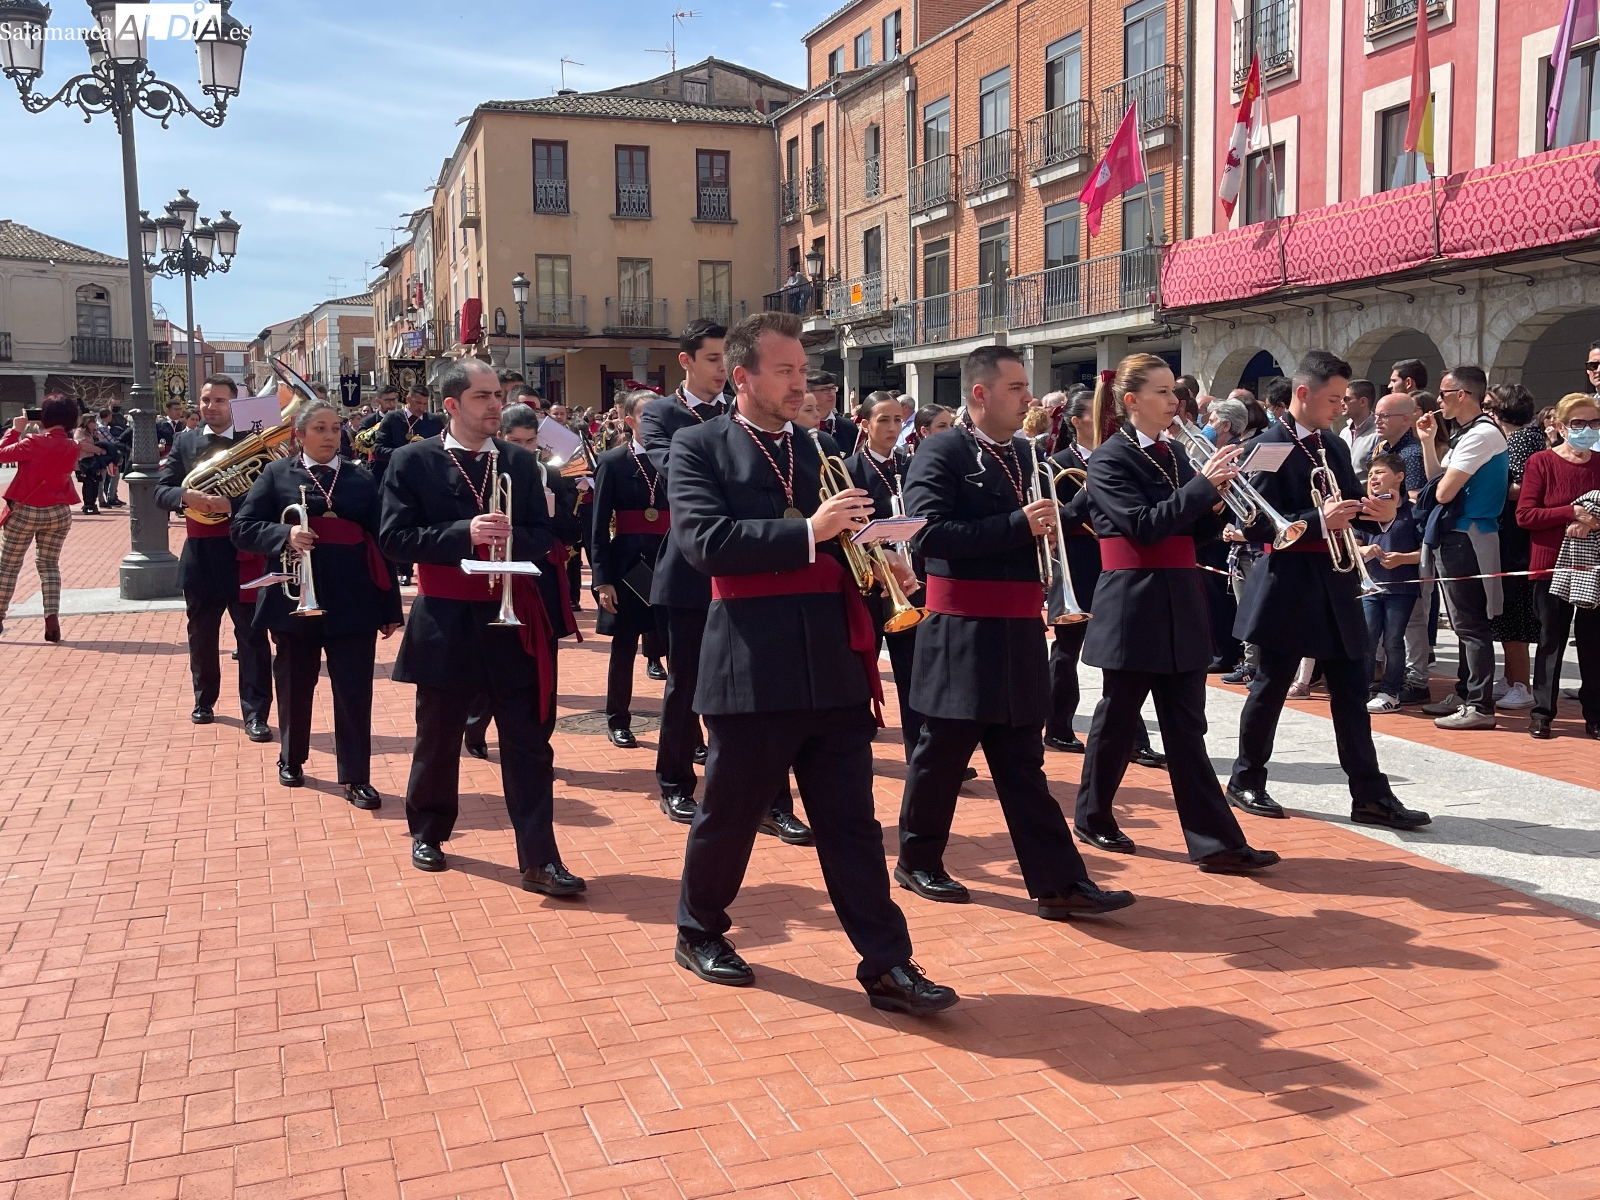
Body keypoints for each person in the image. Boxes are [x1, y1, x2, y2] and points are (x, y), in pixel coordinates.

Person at [667, 310, 958, 1015]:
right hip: (750, 657)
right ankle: (698, 928)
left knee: (852, 822)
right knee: (729, 815)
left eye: (803, 370)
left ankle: (888, 963)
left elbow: (851, 541)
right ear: (743, 377)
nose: (803, 384)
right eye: (786, 371)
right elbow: (706, 542)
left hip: (831, 657)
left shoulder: (821, 446)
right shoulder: (698, 447)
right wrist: (809, 531)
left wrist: (883, 565)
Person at [895, 346, 1141, 908]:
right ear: (980, 394)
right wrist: (1016, 525)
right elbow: (927, 535)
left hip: (1019, 626)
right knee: (943, 751)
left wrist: (1057, 525)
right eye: (1015, 388)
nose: (1028, 398)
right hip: (962, 625)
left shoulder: (1029, 453)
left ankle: (1060, 881)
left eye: (1027, 387)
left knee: (1022, 759)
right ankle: (917, 859)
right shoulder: (940, 452)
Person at [1066, 355, 1279, 870]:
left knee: (1187, 727)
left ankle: (1216, 843)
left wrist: (1217, 503)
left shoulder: (1176, 455)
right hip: (1133, 601)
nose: (1174, 402)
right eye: (1162, 393)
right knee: (1116, 721)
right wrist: (1202, 489)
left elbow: (1190, 532)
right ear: (1132, 400)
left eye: (1174, 392)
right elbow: (1142, 526)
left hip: (1179, 597)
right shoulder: (1109, 460)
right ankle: (1093, 815)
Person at [379, 359, 581, 891]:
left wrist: (516, 538)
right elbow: (395, 540)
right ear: (451, 405)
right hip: (446, 617)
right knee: (438, 736)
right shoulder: (411, 460)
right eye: (483, 396)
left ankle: (540, 857)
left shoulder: (520, 460)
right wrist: (462, 533)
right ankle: (428, 831)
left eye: (499, 394)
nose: (497, 404)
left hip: (513, 617)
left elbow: (545, 535)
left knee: (530, 742)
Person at [1227, 351, 1431, 831]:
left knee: (1350, 687)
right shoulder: (1267, 446)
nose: (1342, 407)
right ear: (1303, 393)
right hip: (1288, 582)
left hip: (1337, 580)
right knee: (1271, 685)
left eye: (1344, 398)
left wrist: (1372, 509)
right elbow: (1253, 524)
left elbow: (1346, 497)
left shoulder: (1333, 446)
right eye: (1334, 398)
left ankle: (1369, 794)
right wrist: (1319, 519)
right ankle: (1245, 778)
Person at [232, 401, 402, 805]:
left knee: (354, 691)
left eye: (336, 428)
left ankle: (356, 775)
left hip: (353, 599)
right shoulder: (276, 474)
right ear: (300, 434)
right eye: (321, 428)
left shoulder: (361, 478)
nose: (330, 436)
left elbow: (383, 543)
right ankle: (291, 757)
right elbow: (242, 528)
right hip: (294, 598)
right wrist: (283, 536)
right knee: (293, 683)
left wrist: (389, 606)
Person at [1041, 390, 1162, 765]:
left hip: (1117, 559)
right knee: (1067, 648)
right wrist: (1093, 491)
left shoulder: (1126, 458)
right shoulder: (1057, 463)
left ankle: (1132, 736)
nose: (1109, 423)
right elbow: (1058, 521)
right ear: (1076, 422)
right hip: (1077, 559)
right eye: (1098, 416)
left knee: (1123, 653)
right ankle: (1058, 726)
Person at [638, 320, 727, 824]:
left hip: (743, 561)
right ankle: (674, 781)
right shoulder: (661, 414)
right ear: (687, 361)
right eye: (712, 359)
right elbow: (674, 473)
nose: (721, 370)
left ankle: (769, 799)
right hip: (689, 566)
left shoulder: (741, 411)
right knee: (685, 682)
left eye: (726, 360)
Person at [154, 374, 274, 740]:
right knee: (201, 634)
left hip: (243, 553)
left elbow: (271, 492)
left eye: (220, 401)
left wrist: (232, 503)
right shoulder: (184, 441)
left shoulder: (254, 441)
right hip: (201, 553)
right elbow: (161, 491)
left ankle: (256, 713)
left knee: (252, 637)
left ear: (234, 405)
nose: (211, 407)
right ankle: (204, 699)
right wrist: (185, 497)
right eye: (206, 400)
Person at [1417, 366, 1510, 731]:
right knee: (1461, 622)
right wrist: (1427, 441)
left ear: (1462, 395)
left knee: (1471, 624)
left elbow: (1441, 492)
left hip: (1468, 535)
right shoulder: (1465, 434)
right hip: (1458, 533)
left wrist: (1440, 486)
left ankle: (1480, 704)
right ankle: (1465, 692)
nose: (1438, 401)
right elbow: (1436, 479)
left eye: (1443, 393)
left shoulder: (1481, 435)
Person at [590, 389, 671, 749]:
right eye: (646, 417)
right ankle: (618, 719)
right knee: (623, 648)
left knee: (680, 652)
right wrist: (602, 579)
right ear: (629, 422)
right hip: (626, 566)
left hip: (671, 562)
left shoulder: (678, 458)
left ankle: (687, 732)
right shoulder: (613, 461)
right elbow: (597, 525)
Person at [845, 392, 923, 760]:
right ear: (865, 424)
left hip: (908, 580)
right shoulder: (850, 468)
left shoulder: (911, 465)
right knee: (863, 665)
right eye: (883, 420)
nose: (893, 428)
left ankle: (919, 748)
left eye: (897, 420)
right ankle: (855, 745)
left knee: (914, 669)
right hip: (870, 582)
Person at [1518, 393, 1600, 739]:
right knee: (1551, 640)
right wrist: (1571, 512)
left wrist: (1593, 521)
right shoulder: (1541, 462)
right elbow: (1526, 515)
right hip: (1551, 567)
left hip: (1593, 568)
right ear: (1561, 427)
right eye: (1578, 423)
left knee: (1595, 643)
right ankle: (1542, 713)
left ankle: (1595, 715)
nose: (1586, 430)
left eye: (1593, 423)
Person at [0, 397, 84, 643]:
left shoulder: (33, 441)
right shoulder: (73, 446)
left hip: (27, 510)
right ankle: (51, 618)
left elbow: (2, 455)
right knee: (49, 565)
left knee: (8, 566)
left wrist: (14, 430)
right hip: (58, 512)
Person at [1482, 383, 1544, 713]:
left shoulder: (1521, 439)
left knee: (1515, 609)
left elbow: (1522, 487)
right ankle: (1510, 678)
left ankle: (1522, 683)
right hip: (1510, 535)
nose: (1486, 410)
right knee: (1506, 609)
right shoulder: (1511, 438)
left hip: (1517, 538)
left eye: (1491, 405)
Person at [1355, 454, 1422, 713]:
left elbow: (1425, 552)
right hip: (1371, 586)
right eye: (1371, 473)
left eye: (1380, 472)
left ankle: (1391, 692)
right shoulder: (1365, 511)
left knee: (1394, 640)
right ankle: (1361, 688)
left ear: (1399, 477)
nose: (1373, 478)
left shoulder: (1412, 511)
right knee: (1368, 639)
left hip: (1401, 588)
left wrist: (1403, 558)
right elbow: (1354, 545)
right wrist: (1365, 551)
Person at [375, 387, 443, 585]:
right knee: (399, 523)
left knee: (421, 523)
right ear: (408, 400)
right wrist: (407, 452)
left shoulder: (434, 422)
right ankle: (400, 568)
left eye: (424, 404)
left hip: (426, 479)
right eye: (418, 403)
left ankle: (414, 567)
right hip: (398, 477)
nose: (422, 408)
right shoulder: (392, 419)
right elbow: (379, 448)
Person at [73, 413, 113, 515]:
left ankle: (93, 504)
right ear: (87, 422)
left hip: (96, 462)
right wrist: (98, 449)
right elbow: (81, 444)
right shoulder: (80, 432)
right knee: (88, 484)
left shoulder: (96, 432)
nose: (95, 424)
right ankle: (88, 504)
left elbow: (103, 442)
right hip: (85, 461)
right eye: (92, 422)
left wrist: (104, 448)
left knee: (96, 482)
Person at [1341, 379, 1380, 477]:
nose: (1341, 403)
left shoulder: (1379, 433)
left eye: (1346, 399)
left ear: (1362, 402)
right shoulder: (1344, 432)